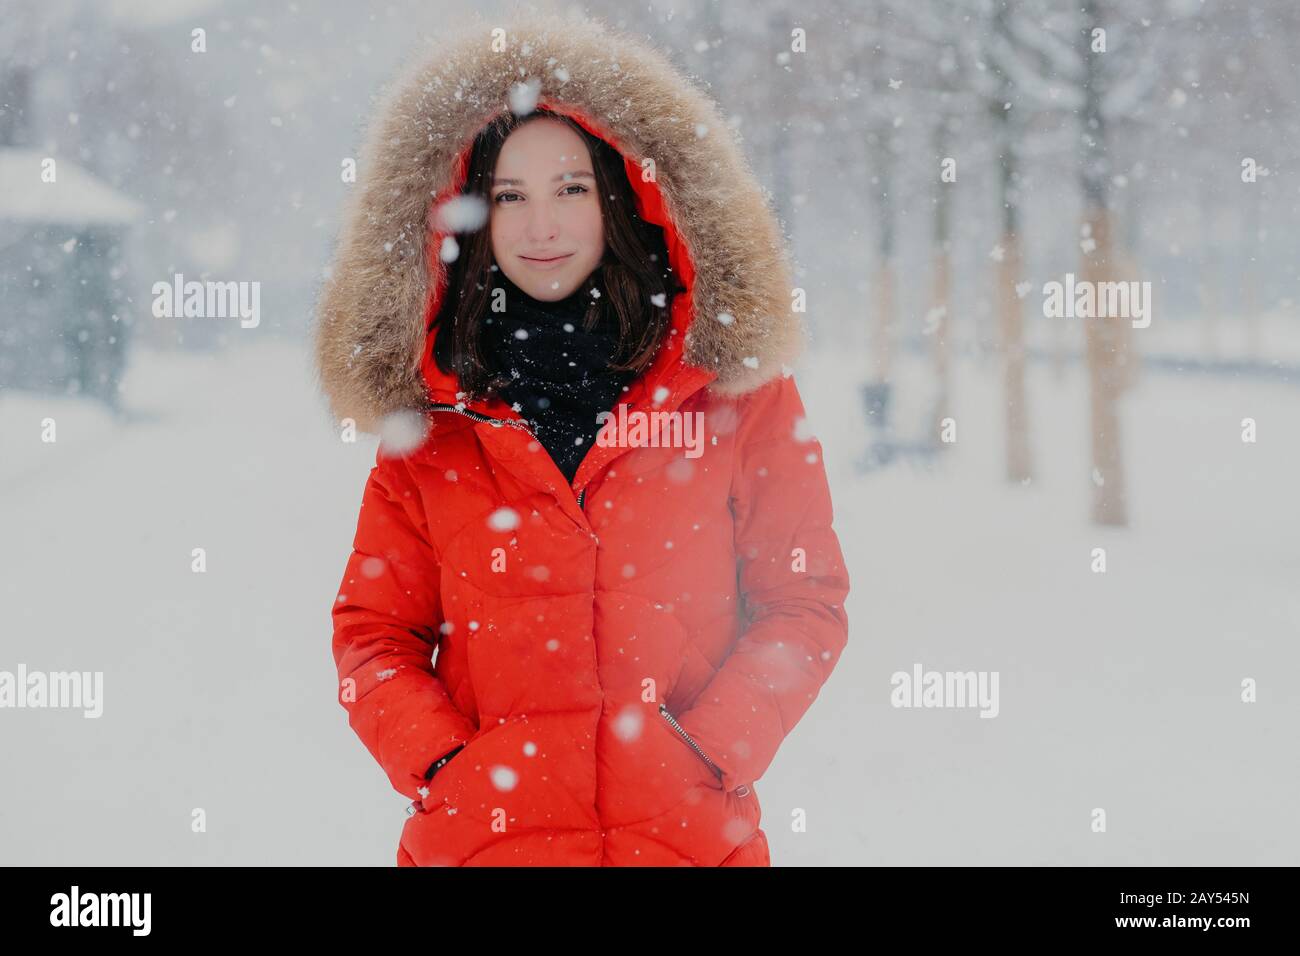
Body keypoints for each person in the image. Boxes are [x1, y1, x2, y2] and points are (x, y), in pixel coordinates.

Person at [314, 14, 850, 867]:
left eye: (570, 188)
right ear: (469, 215)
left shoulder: (734, 394)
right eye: (510, 196)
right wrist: (445, 762)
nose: (542, 227)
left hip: (686, 843)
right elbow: (373, 636)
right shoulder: (438, 418)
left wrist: (710, 750)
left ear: (626, 192)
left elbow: (804, 601)